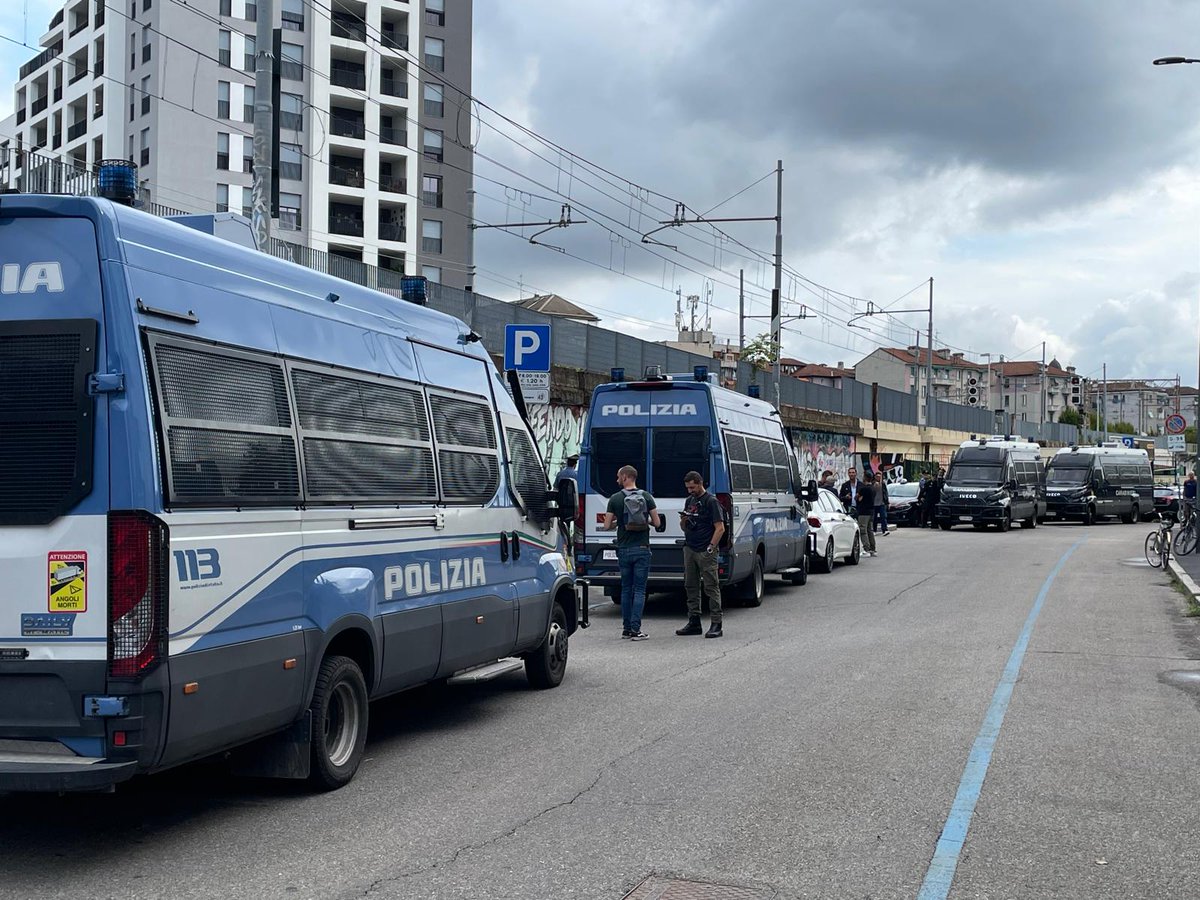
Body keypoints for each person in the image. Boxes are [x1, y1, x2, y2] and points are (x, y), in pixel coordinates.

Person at [602, 465, 661, 641]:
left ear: (626, 477)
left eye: (619, 477)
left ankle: (627, 629)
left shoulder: (615, 499)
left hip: (624, 550)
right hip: (642, 549)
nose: (617, 480)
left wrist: (620, 523)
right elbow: (657, 523)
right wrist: (645, 521)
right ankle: (636, 629)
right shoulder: (647, 497)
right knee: (640, 590)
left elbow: (606, 526)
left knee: (626, 589)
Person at [675, 471, 727, 639]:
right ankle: (694, 621)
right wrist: (684, 520)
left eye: (692, 487)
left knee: (711, 586)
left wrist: (711, 546)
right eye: (688, 488)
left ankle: (716, 623)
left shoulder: (711, 501)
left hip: (705, 548)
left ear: (699, 483)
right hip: (690, 547)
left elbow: (720, 527)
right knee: (691, 585)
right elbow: (684, 527)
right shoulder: (689, 501)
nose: (690, 491)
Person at [855, 477, 878, 556]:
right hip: (871, 511)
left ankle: (866, 549)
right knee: (870, 530)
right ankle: (873, 549)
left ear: (864, 479)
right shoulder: (873, 488)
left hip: (863, 512)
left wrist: (858, 498)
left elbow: (857, 498)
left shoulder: (863, 489)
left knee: (863, 530)